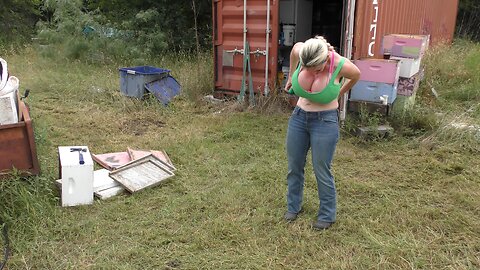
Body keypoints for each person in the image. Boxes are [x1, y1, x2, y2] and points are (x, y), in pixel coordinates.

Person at [283, 36, 360, 230]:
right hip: (299, 117)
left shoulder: (339, 64)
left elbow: (356, 75)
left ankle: (327, 214)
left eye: (314, 69)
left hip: (325, 121)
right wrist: (291, 77)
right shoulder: (302, 51)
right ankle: (294, 207)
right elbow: (294, 51)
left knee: (321, 169)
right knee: (294, 165)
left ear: (325, 61)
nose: (308, 72)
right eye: (305, 68)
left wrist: (339, 92)